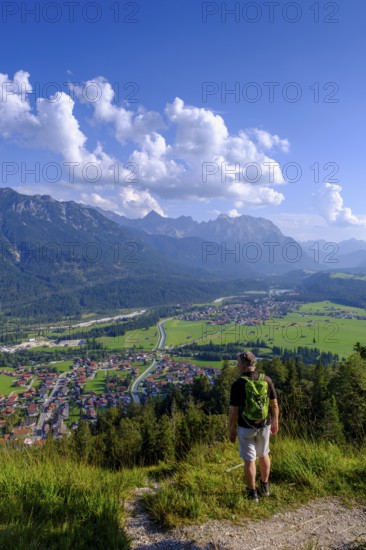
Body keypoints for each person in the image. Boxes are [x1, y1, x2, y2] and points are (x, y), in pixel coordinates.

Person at [228, 351, 279, 502]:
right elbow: (274, 404)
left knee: (249, 460)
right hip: (264, 426)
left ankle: (252, 493)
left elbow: (233, 412)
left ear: (243, 365)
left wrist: (231, 431)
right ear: (254, 363)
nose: (237, 365)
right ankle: (265, 487)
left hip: (245, 427)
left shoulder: (238, 384)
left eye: (238, 363)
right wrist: (275, 423)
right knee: (264, 454)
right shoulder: (266, 380)